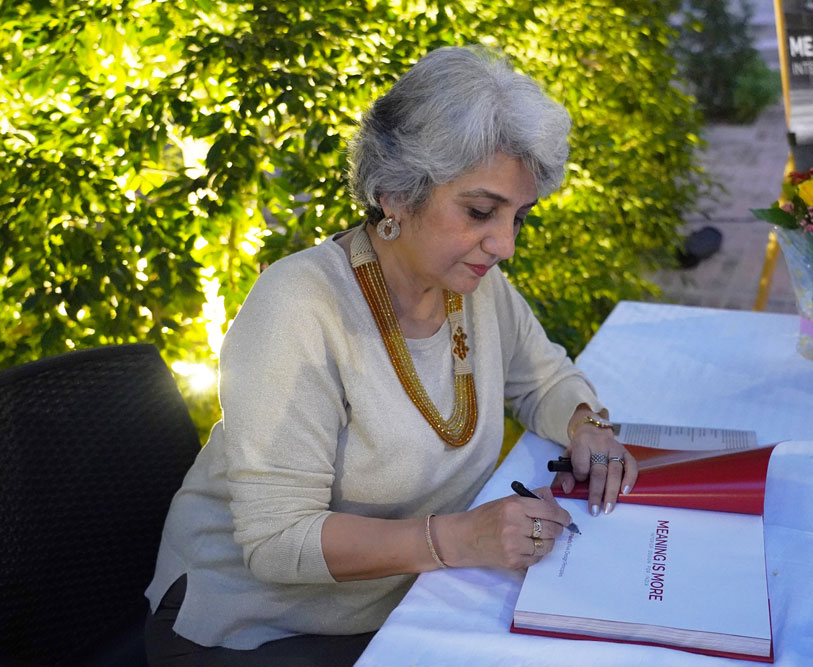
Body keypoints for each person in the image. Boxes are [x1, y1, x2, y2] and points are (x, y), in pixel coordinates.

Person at [144, 45, 638, 665]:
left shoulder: (473, 286)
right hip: (258, 626)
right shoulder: (299, 306)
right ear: (396, 194)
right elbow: (277, 541)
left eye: (518, 217)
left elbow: (541, 379)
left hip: (410, 599)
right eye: (481, 212)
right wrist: (462, 537)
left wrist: (586, 425)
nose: (505, 245)